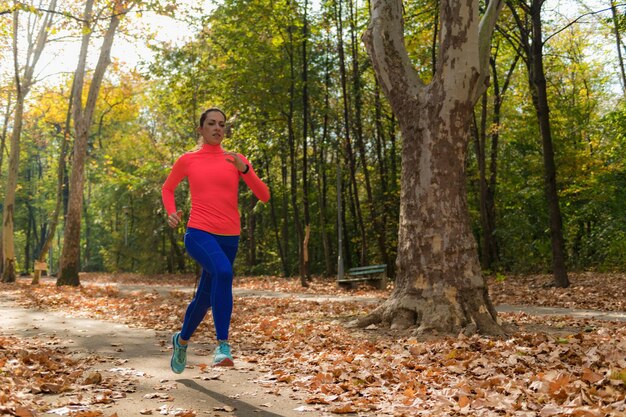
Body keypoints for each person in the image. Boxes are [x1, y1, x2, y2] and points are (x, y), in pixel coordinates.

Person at [161, 107, 270, 372]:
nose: (218, 128)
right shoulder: (188, 159)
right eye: (211, 123)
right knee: (224, 271)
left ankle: (182, 340)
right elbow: (168, 188)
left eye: (221, 124)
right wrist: (172, 212)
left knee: (206, 296)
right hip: (198, 232)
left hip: (229, 236)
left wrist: (245, 170)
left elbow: (264, 195)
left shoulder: (235, 159)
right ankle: (222, 345)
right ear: (201, 129)